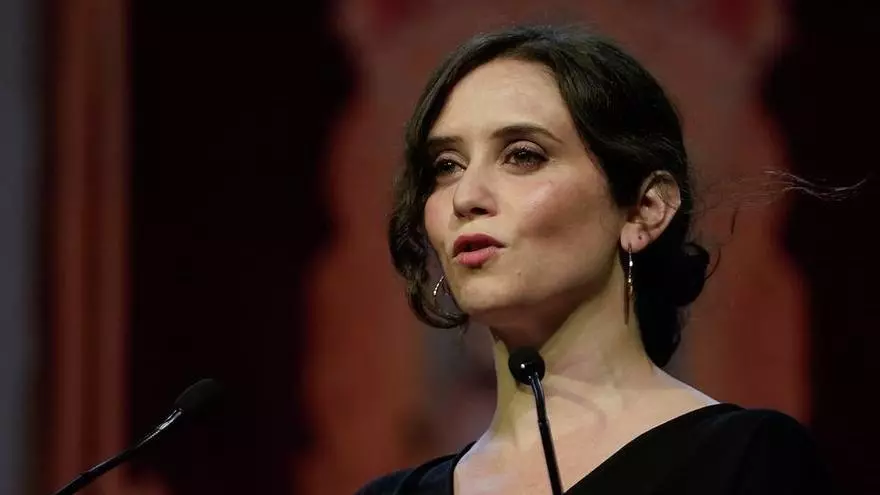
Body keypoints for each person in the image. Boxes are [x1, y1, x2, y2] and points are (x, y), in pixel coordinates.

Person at [358, 24, 829, 494]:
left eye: (523, 156)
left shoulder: (745, 460)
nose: (465, 197)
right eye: (446, 166)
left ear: (645, 209)